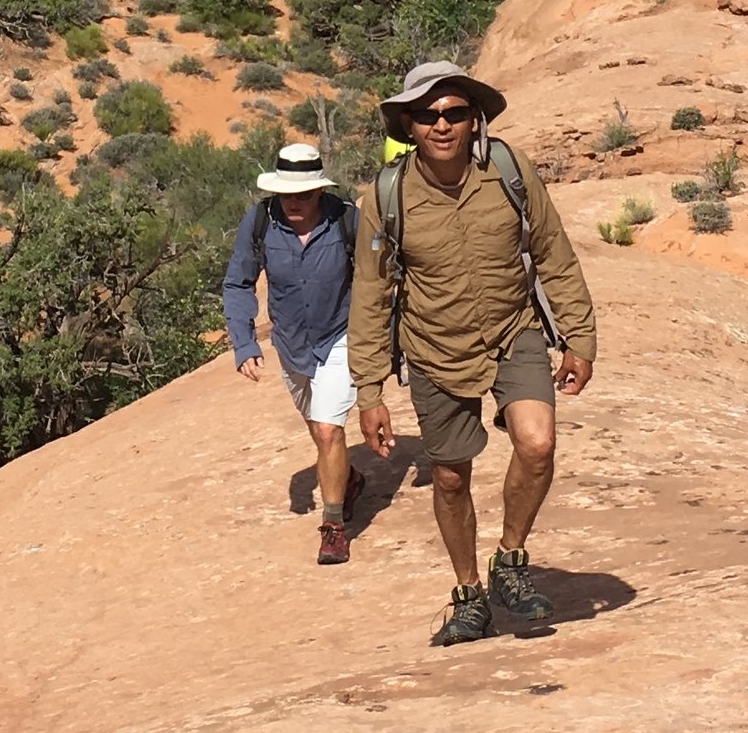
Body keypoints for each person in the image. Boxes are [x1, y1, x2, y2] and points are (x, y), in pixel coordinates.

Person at [348, 63, 596, 647]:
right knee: (452, 479)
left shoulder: (508, 171)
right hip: (435, 349)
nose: (441, 125)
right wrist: (368, 390)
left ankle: (510, 562)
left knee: (538, 443)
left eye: (455, 113)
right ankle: (468, 596)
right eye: (428, 115)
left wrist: (579, 338)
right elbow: (370, 293)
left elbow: (554, 253)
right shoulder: (386, 198)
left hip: (514, 332)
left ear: (473, 119)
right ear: (408, 125)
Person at [222, 141, 363, 565]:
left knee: (327, 429)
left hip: (341, 336)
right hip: (291, 343)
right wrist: (244, 342)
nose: (294, 202)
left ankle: (334, 527)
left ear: (320, 191)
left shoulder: (346, 220)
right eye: (286, 194)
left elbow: (378, 280)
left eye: (303, 194)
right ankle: (349, 479)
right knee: (318, 427)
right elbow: (237, 282)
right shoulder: (261, 222)